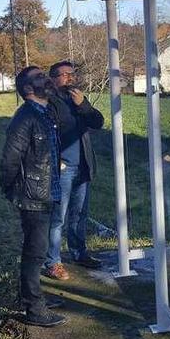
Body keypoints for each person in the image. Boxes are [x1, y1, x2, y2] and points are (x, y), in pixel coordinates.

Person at [0, 66, 67, 327]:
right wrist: (12, 191)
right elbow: (9, 161)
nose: (46, 79)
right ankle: (34, 309)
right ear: (28, 89)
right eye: (40, 77)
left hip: (48, 191)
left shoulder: (45, 112)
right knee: (35, 252)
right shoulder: (25, 117)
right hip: (33, 196)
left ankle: (35, 297)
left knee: (39, 251)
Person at [43, 61, 105, 280]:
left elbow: (98, 122)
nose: (70, 77)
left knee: (79, 215)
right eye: (65, 74)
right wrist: (54, 160)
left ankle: (79, 253)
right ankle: (53, 262)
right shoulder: (49, 102)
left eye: (72, 74)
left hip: (83, 166)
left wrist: (83, 105)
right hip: (62, 169)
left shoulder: (77, 98)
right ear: (53, 78)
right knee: (58, 218)